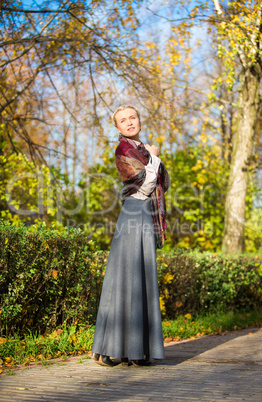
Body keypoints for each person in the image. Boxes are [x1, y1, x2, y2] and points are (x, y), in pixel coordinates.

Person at [91, 105, 169, 367]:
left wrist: (152, 158)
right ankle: (105, 349)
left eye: (132, 117)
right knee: (124, 278)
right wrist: (155, 160)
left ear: (139, 120)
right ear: (118, 128)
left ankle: (135, 352)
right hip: (134, 212)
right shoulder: (124, 150)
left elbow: (163, 184)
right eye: (123, 120)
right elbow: (144, 181)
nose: (129, 122)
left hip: (145, 214)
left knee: (141, 280)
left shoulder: (143, 149)